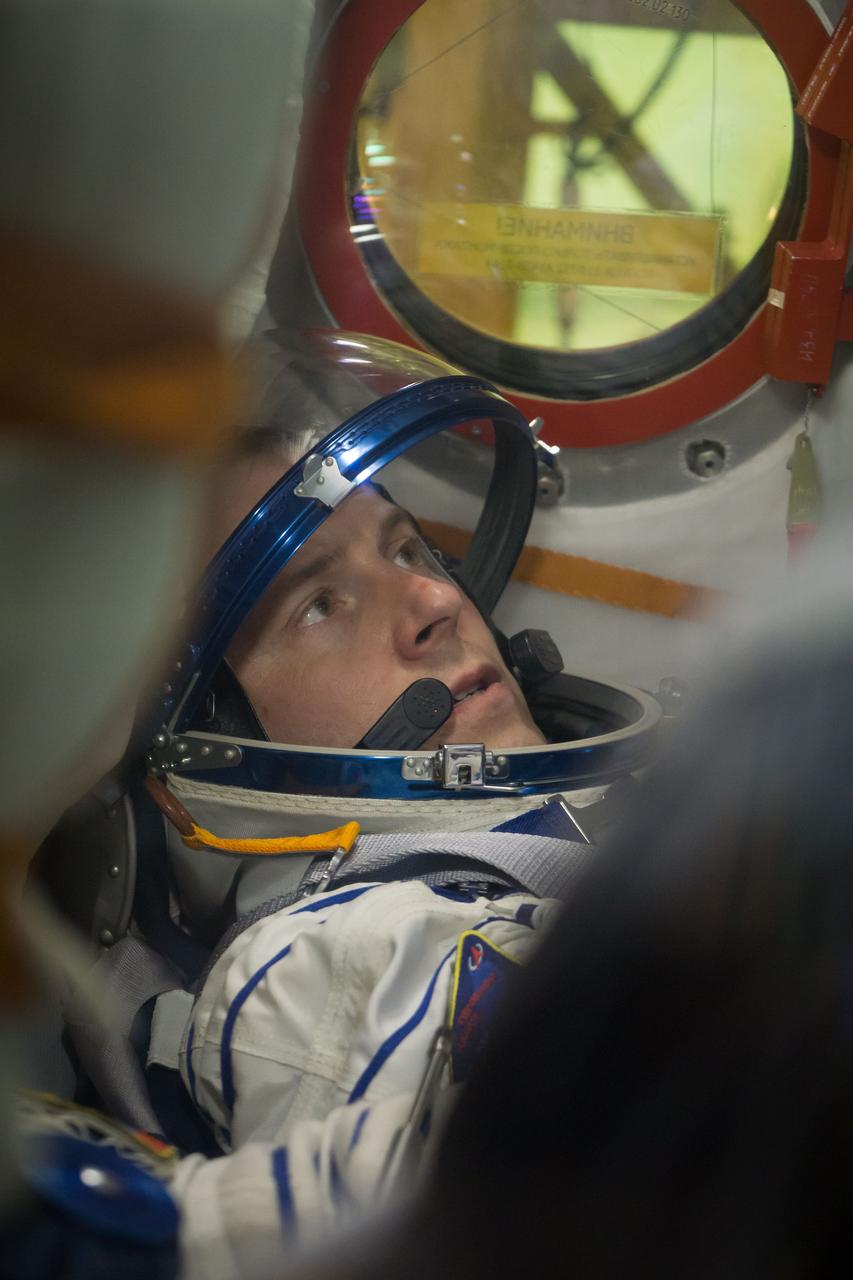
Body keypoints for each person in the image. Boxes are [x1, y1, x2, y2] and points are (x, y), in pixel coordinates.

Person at [49, 328, 661, 1280]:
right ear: (208, 728)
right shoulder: (342, 964)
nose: (432, 599)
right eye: (318, 604)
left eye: (408, 546)